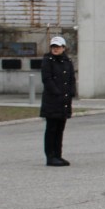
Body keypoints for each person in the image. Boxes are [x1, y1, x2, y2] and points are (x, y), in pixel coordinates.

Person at [40, 35, 76, 167]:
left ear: (63, 48)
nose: (55, 49)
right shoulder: (47, 61)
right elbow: (47, 79)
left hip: (64, 101)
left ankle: (58, 155)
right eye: (53, 47)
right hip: (52, 100)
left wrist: (71, 92)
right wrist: (56, 92)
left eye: (58, 47)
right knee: (51, 129)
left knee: (60, 129)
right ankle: (50, 156)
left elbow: (71, 79)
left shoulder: (67, 61)